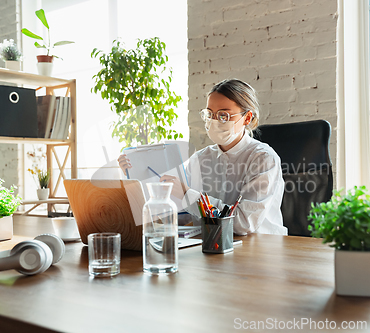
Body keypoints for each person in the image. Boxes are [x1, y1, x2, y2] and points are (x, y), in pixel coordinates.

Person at [119, 79, 287, 235]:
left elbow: (243, 223)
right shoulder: (199, 159)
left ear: (247, 118)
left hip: (260, 249)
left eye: (223, 115)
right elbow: (181, 215)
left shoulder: (263, 158)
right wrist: (133, 174)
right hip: (212, 245)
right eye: (210, 114)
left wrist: (188, 195)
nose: (214, 121)